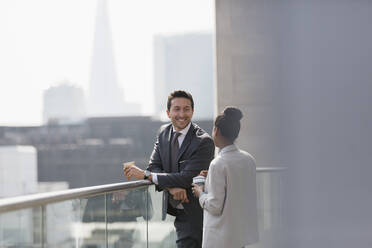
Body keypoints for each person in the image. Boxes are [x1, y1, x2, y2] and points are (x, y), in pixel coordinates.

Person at [124, 90, 215, 248]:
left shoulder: (203, 142)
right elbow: (154, 166)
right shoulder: (163, 133)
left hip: (196, 214)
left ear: (192, 112)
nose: (182, 114)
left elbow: (187, 178)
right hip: (176, 210)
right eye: (177, 109)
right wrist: (171, 187)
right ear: (168, 112)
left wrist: (146, 175)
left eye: (186, 109)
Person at [192, 107, 259, 248]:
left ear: (216, 130)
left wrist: (200, 194)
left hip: (221, 239)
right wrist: (211, 176)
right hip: (240, 236)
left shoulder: (218, 163)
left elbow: (215, 206)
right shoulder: (248, 159)